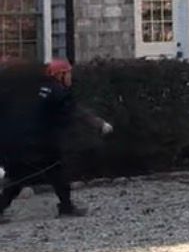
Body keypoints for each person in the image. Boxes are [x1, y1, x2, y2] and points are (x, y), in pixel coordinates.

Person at [0, 59, 112, 221]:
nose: (70, 78)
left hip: (15, 142)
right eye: (68, 74)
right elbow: (76, 113)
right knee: (56, 173)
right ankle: (66, 207)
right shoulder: (57, 91)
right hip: (39, 143)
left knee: (19, 176)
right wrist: (99, 124)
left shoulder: (29, 89)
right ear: (60, 75)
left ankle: (1, 208)